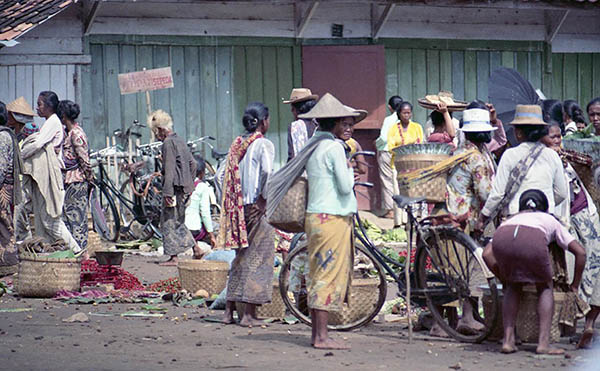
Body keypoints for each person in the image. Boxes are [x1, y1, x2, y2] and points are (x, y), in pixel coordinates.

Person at [297, 93, 366, 349]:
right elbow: (346, 187)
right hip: (333, 218)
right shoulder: (335, 148)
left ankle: (318, 334)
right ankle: (323, 337)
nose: (348, 128)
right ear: (334, 123)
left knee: (318, 274)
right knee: (327, 275)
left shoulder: (315, 146)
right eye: (345, 123)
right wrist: (349, 168)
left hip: (316, 217)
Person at [483, 190, 585, 355]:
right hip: (533, 238)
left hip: (504, 236)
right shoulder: (549, 219)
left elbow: (487, 254)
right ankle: (543, 344)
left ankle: (508, 340)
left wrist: (504, 278)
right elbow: (580, 253)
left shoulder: (510, 219)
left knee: (512, 286)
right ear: (544, 208)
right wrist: (575, 285)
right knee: (545, 286)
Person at [542, 122, 600, 349]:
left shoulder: (567, 158)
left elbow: (588, 166)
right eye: (552, 138)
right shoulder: (543, 160)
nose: (557, 141)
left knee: (594, 266)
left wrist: (567, 159)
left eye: (559, 137)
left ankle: (588, 323)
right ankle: (568, 322)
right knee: (567, 270)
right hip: (561, 220)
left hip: (584, 214)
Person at [220, 102, 275, 327]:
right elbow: (268, 172)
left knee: (240, 258)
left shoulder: (237, 145)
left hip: (237, 209)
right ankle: (248, 315)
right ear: (263, 122)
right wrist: (263, 198)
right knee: (258, 258)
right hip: (255, 207)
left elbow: (219, 175)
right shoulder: (263, 145)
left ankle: (228, 312)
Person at [476, 104, 568, 231]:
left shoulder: (509, 155)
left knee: (490, 251)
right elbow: (562, 193)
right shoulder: (552, 155)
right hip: (546, 219)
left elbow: (497, 194)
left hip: (515, 219)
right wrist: (544, 203)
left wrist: (483, 217)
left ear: (518, 132)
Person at [20, 91, 79, 252]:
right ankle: (46, 253)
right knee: (40, 219)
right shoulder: (49, 123)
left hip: (49, 175)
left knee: (50, 220)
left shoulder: (53, 122)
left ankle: (76, 250)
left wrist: (20, 156)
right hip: (42, 176)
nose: (37, 108)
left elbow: (38, 144)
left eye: (39, 104)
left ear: (49, 106)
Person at [148, 109, 196, 266]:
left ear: (161, 130)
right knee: (178, 221)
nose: (156, 136)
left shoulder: (168, 143)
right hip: (184, 188)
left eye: (156, 132)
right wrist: (190, 184)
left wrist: (167, 192)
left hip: (173, 189)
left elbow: (169, 170)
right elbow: (192, 164)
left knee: (168, 221)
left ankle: (174, 257)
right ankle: (196, 249)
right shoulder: (180, 140)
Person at [58, 100, 94, 253]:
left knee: (77, 221)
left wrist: (90, 179)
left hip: (77, 182)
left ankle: (81, 254)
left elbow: (84, 160)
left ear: (64, 115)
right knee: (68, 219)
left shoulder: (76, 134)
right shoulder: (68, 132)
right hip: (69, 182)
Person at [0, 101, 22, 275]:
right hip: (4, 187)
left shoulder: (2, 136)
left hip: (2, 189)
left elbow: (1, 166)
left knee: (4, 226)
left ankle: (8, 263)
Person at [375, 96, 403, 219]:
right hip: (401, 152)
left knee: (387, 180)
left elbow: (384, 138)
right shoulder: (405, 119)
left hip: (387, 151)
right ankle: (401, 209)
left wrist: (377, 144)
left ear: (390, 107)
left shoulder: (389, 120)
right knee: (400, 179)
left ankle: (391, 210)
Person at [185, 155, 216, 258]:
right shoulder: (202, 187)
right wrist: (212, 235)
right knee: (214, 226)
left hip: (181, 228)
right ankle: (197, 247)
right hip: (194, 229)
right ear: (202, 173)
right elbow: (205, 213)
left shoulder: (182, 184)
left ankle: (195, 247)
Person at [284, 88, 319, 162]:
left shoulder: (295, 127)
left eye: (292, 108)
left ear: (297, 109)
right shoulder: (319, 124)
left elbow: (292, 156)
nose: (291, 111)